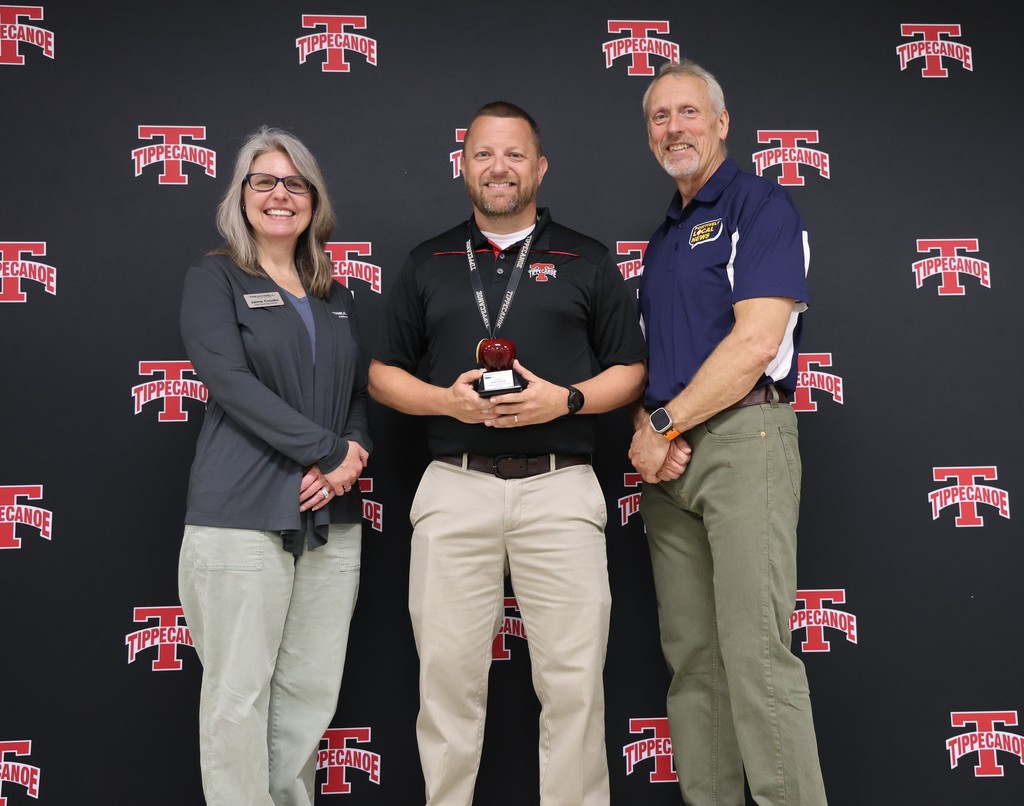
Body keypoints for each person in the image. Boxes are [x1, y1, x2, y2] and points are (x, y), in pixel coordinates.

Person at [369, 101, 646, 806]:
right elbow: (382, 372)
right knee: (447, 684)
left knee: (575, 684)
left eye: (515, 154)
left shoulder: (585, 257)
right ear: (462, 164)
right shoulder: (427, 260)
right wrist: (445, 401)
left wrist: (569, 401)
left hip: (560, 487)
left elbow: (630, 368)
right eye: (484, 154)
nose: (499, 168)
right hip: (455, 486)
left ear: (540, 166)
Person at [628, 60, 828, 805]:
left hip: (744, 444)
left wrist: (665, 424)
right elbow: (647, 364)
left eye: (687, 112)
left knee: (754, 656)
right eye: (659, 116)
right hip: (670, 464)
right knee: (695, 662)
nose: (673, 127)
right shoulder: (662, 238)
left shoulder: (761, 206)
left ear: (720, 123)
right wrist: (652, 433)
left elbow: (753, 345)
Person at [177, 125, 371, 806]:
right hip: (241, 515)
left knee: (307, 696)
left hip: (330, 518)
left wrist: (351, 459)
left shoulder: (333, 292)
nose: (279, 195)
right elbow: (228, 381)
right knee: (238, 698)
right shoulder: (217, 277)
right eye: (264, 181)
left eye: (294, 183)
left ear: (313, 198)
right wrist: (327, 452)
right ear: (242, 194)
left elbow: (354, 394)